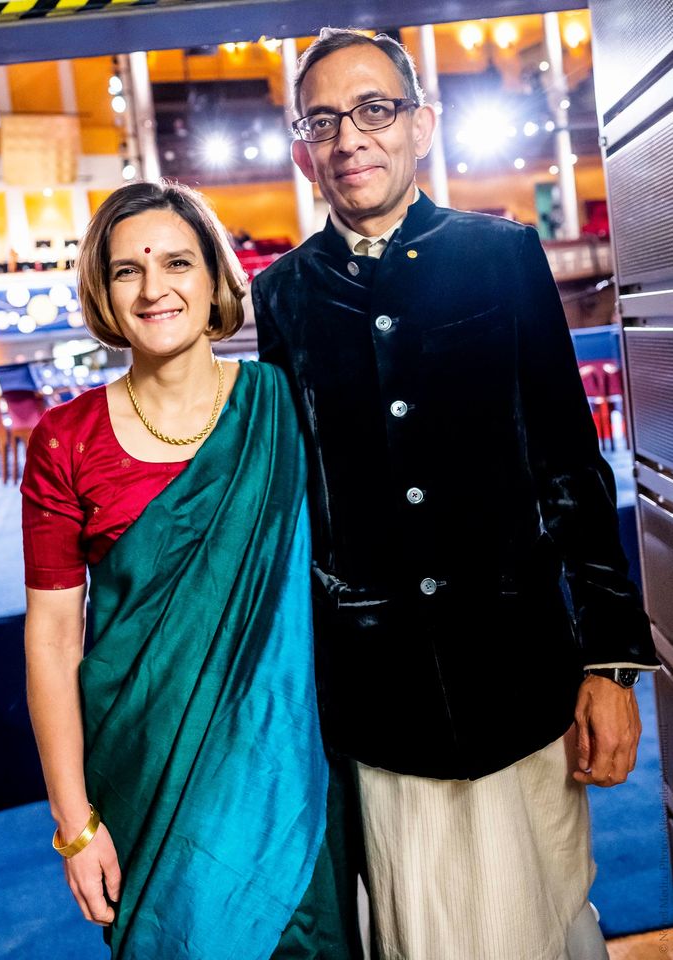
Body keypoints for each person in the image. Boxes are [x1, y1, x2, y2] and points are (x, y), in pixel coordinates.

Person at [252, 28, 658, 960]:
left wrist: (611, 665)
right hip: (376, 696)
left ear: (421, 125)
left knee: (548, 915)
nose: (350, 136)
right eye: (323, 120)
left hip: (521, 673)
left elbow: (571, 466)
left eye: (374, 110)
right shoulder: (283, 300)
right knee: (418, 929)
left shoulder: (503, 256)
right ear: (305, 147)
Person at [22, 181, 363, 960]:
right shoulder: (65, 441)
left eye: (177, 262)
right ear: (102, 293)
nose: (154, 288)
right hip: (142, 769)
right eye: (125, 271)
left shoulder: (282, 405)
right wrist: (73, 823)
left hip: (284, 768)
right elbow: (50, 639)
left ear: (216, 278)